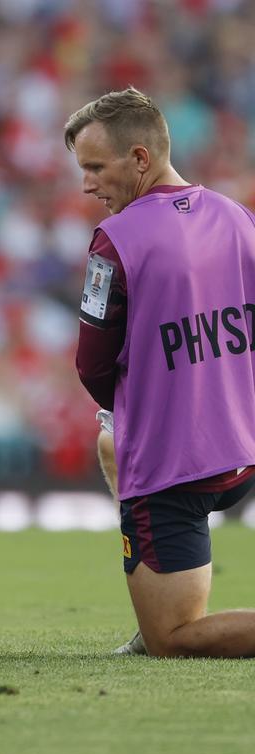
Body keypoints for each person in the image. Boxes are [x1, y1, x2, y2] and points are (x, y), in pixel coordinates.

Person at [68, 87, 255, 658]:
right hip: (242, 451)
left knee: (169, 642)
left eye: (96, 167)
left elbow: (92, 364)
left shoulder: (115, 240)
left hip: (170, 470)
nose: (87, 184)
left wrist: (143, 395)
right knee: (109, 444)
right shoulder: (238, 217)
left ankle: (161, 616)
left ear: (140, 158)